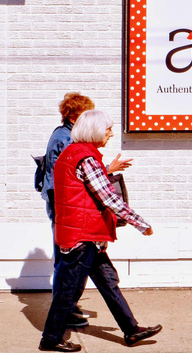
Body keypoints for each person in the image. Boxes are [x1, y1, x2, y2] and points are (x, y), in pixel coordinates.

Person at [39, 110, 161, 352]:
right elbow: (109, 199)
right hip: (83, 236)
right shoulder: (86, 158)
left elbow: (81, 189)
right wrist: (141, 224)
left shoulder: (71, 153)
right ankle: (51, 339)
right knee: (68, 290)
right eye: (108, 130)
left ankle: (131, 330)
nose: (111, 133)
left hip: (83, 234)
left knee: (108, 282)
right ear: (95, 131)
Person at [42, 93, 132, 328]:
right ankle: (65, 311)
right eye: (84, 114)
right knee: (68, 262)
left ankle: (129, 327)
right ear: (73, 115)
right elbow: (80, 173)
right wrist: (108, 169)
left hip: (69, 207)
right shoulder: (67, 138)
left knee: (87, 266)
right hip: (69, 208)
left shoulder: (65, 136)